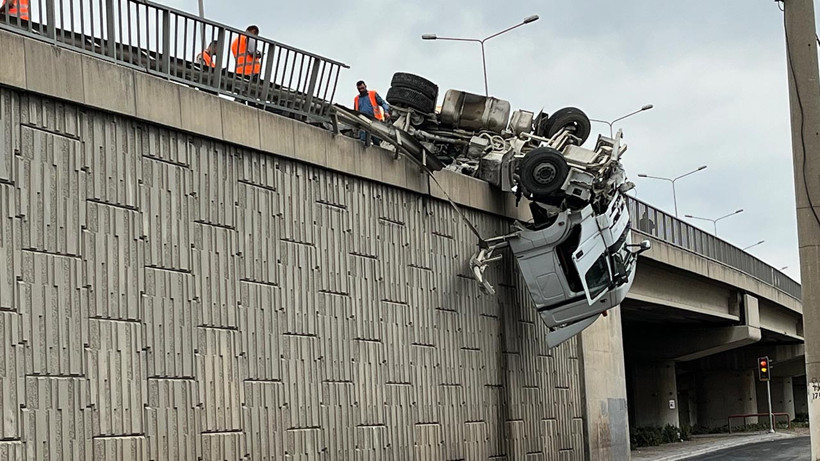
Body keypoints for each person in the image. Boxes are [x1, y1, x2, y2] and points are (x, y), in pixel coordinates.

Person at [353, 80, 390, 146]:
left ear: (365, 86)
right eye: (359, 89)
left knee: (376, 140)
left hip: (375, 122)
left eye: (362, 88)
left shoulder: (373, 94)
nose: (361, 90)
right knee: (363, 141)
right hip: (363, 122)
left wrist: (386, 111)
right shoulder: (356, 99)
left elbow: (383, 103)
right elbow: (355, 111)